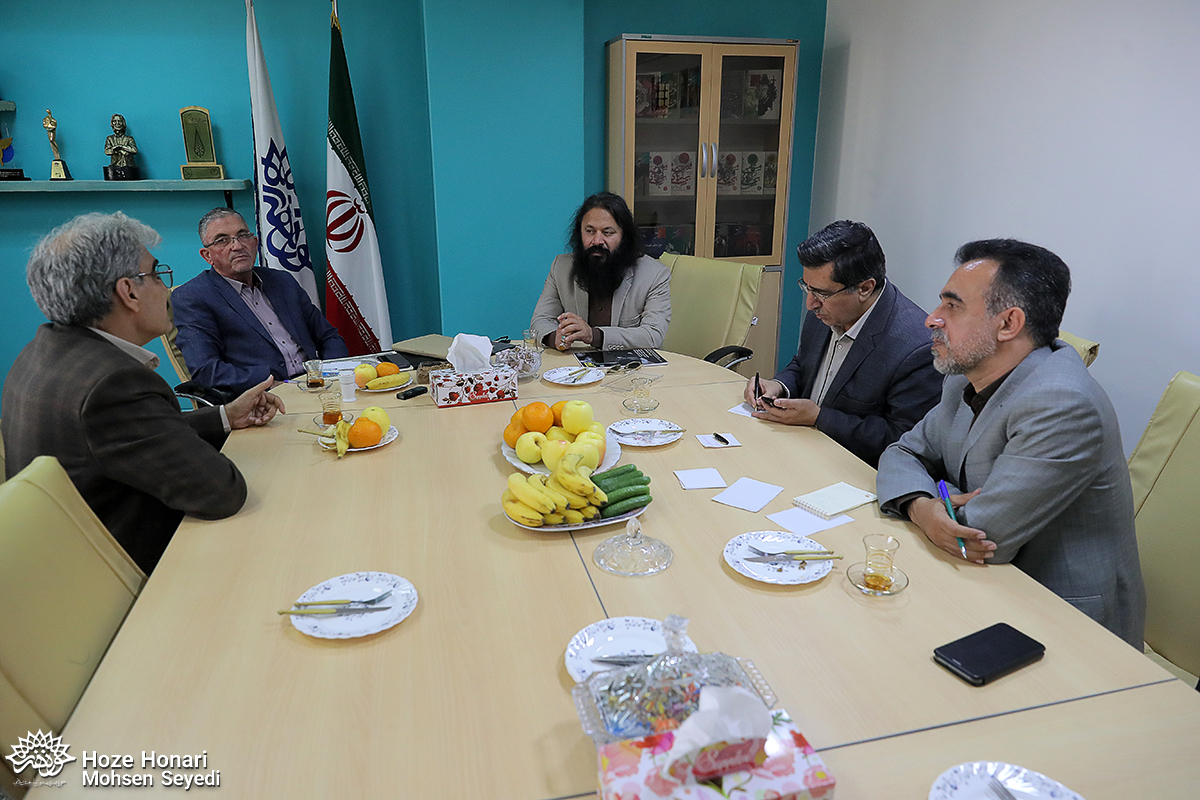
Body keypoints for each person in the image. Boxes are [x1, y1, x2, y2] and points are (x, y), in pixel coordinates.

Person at [876, 239, 1145, 647]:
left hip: (1067, 626)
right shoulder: (964, 378)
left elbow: (981, 537)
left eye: (952, 306)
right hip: (986, 589)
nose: (932, 319)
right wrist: (923, 507)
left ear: (1008, 324)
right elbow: (902, 452)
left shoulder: (1062, 403)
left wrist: (934, 504)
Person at [1, 212, 285, 573]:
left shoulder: (41, 350)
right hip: (137, 571)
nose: (166, 290)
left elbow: (130, 434)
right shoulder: (114, 383)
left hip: (62, 562)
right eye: (156, 274)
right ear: (129, 292)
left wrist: (224, 416)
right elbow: (221, 492)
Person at [745, 220, 942, 467]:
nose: (810, 303)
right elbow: (803, 366)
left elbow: (902, 439)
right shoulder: (827, 309)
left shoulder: (917, 347)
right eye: (807, 287)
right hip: (798, 447)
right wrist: (778, 386)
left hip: (851, 469)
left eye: (821, 293)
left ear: (864, 288)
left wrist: (819, 418)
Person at [173, 208, 348, 392]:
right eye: (222, 240)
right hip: (264, 396)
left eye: (243, 236)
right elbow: (206, 370)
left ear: (255, 242)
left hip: (318, 385)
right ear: (207, 255)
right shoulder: (193, 297)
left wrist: (332, 374)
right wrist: (270, 384)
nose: (237, 246)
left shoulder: (282, 281)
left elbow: (328, 336)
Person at [530, 192, 670, 350]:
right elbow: (540, 321)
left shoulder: (654, 274)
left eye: (607, 232)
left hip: (631, 364)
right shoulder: (561, 267)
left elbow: (653, 335)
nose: (597, 241)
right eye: (589, 231)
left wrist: (593, 335)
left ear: (624, 236)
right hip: (574, 363)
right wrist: (555, 337)